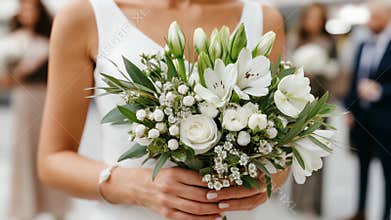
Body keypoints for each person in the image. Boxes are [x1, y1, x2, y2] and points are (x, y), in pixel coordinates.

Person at [37, 0, 289, 219]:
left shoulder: (263, 19)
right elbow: (52, 160)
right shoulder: (86, 16)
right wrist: (134, 186)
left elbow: (281, 153)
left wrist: (265, 180)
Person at [0, 0, 70, 219]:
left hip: (49, 98)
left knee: (52, 149)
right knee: (25, 151)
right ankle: (25, 209)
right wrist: (13, 73)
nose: (27, 13)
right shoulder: (13, 40)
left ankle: (57, 207)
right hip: (24, 99)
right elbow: (5, 80)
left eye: (31, 8)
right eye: (23, 9)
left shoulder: (53, 38)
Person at [288, 3, 338, 216]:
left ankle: (315, 204)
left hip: (322, 103)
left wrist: (325, 71)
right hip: (300, 104)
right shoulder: (296, 39)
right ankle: (297, 201)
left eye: (319, 18)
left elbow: (337, 71)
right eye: (311, 17)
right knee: (297, 150)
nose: (314, 22)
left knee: (319, 152)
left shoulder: (330, 42)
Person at [345, 1, 391, 220]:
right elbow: (354, 80)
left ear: (387, 17)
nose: (369, 21)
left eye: (374, 17)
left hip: (386, 121)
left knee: (387, 172)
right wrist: (349, 109)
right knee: (361, 167)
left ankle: (385, 215)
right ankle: (361, 211)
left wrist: (380, 90)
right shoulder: (363, 45)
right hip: (362, 119)